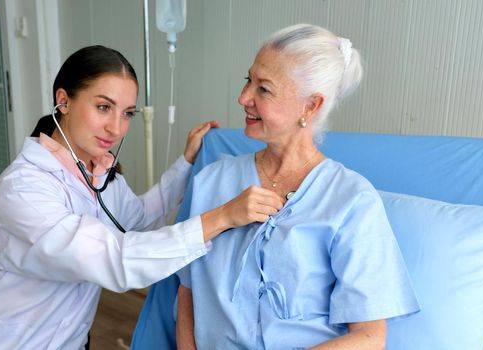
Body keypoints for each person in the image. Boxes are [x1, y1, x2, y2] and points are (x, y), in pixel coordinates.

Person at [0, 45, 285, 349]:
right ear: (63, 101)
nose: (116, 128)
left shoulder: (97, 172)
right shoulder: (24, 189)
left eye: (126, 113)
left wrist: (186, 162)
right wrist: (222, 217)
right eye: (103, 107)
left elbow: (140, 219)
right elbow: (115, 259)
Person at [176, 24, 420, 349]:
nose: (243, 97)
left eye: (264, 89)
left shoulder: (351, 199)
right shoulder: (212, 182)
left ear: (311, 105)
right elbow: (187, 295)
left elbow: (369, 337)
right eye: (248, 80)